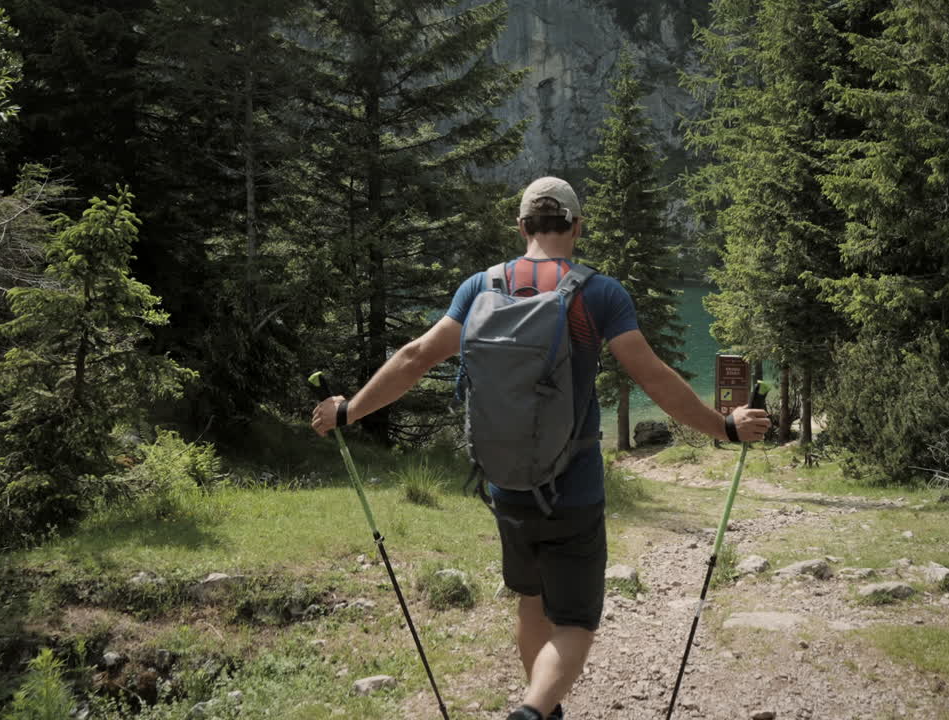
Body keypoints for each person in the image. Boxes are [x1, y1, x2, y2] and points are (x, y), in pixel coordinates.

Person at [311, 176, 771, 720]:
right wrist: (724, 427)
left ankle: (543, 713)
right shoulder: (598, 294)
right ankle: (532, 711)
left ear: (522, 226)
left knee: (531, 604)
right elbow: (653, 377)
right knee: (574, 622)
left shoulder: (480, 288)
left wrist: (348, 410)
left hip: (506, 485)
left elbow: (415, 357)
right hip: (573, 490)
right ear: (576, 227)